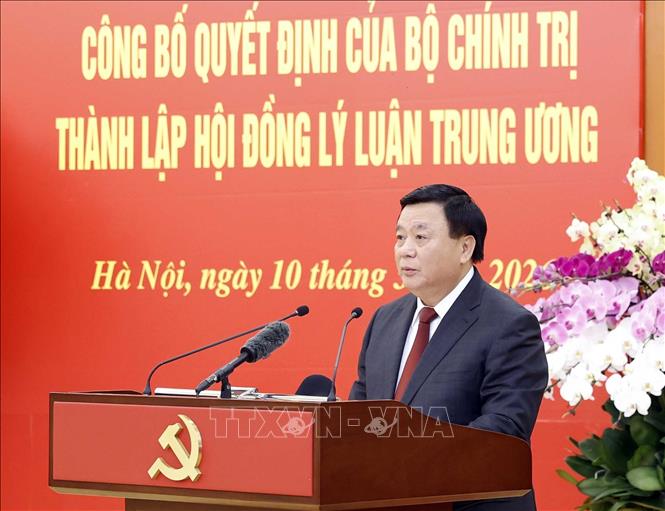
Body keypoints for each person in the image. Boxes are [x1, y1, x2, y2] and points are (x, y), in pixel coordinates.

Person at [349, 184, 548, 511]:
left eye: (420, 237)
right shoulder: (384, 319)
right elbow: (359, 414)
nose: (405, 250)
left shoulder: (510, 325)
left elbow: (503, 430)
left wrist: (407, 463)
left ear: (465, 248)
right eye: (400, 237)